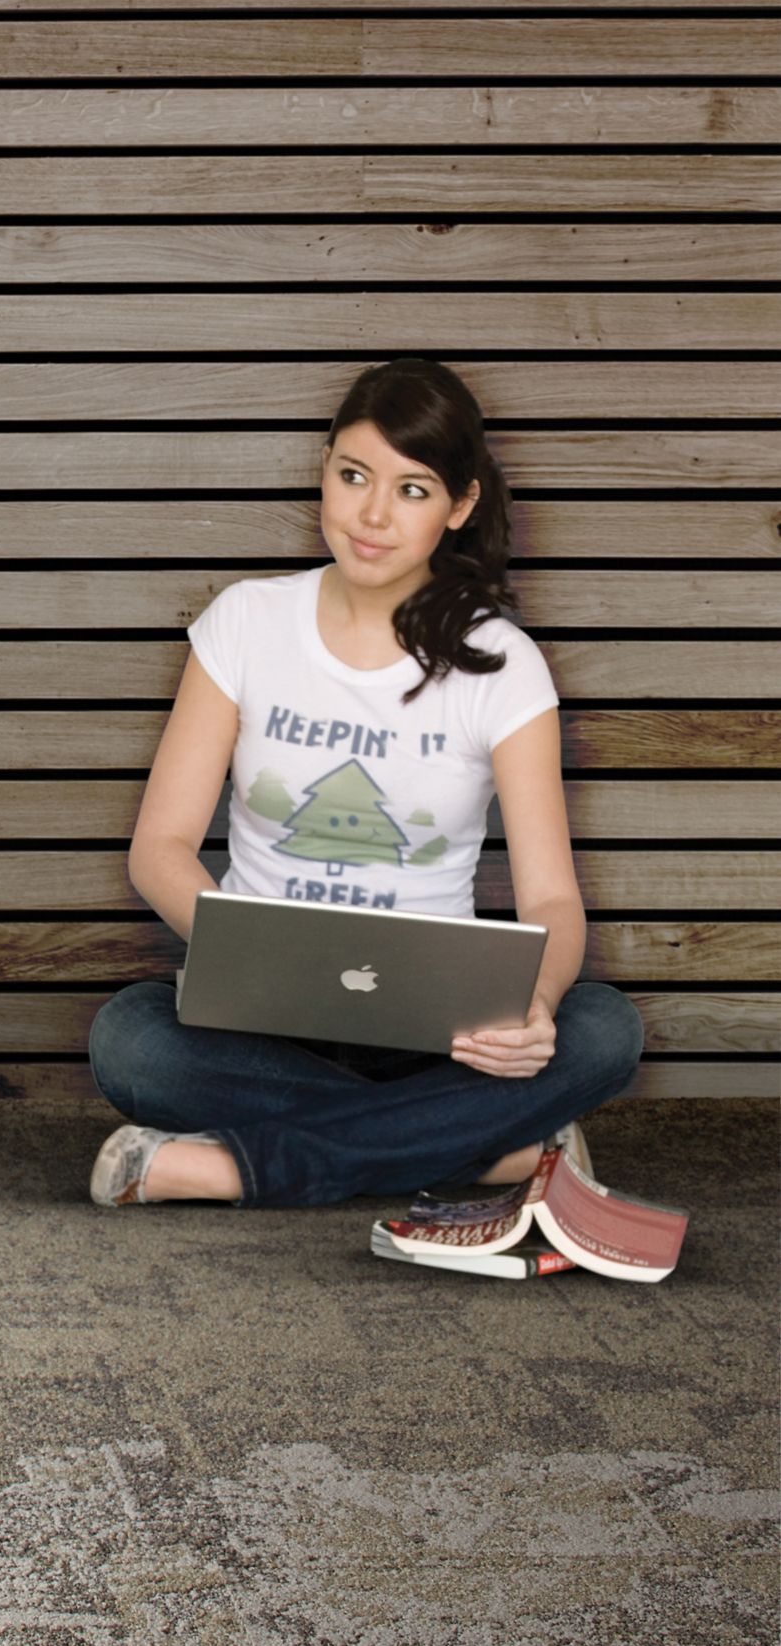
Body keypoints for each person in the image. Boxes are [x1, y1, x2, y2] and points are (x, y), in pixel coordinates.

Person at [85, 357, 644, 1208]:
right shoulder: (246, 622)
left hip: (438, 1034)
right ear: (325, 471)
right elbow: (159, 849)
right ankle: (485, 1152)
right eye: (353, 477)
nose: (372, 515)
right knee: (131, 1041)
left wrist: (533, 1005)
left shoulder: (502, 666)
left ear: (460, 507)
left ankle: (238, 1166)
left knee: (604, 1030)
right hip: (259, 1020)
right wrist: (251, 952)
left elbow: (553, 902)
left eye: (413, 490)